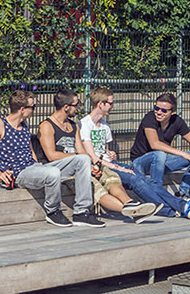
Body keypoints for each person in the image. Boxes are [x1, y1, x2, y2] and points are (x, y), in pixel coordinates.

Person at [0, 89, 101, 228]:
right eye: (32, 107)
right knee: (52, 173)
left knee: (82, 159)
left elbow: (30, 150)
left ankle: (81, 212)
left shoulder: (23, 125)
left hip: (34, 168)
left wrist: (37, 166)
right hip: (19, 173)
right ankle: (53, 211)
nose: (34, 110)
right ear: (22, 109)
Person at [81, 88, 190, 219]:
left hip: (112, 163)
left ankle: (183, 202)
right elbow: (93, 157)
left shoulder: (104, 125)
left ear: (172, 111)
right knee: (137, 177)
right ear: (101, 104)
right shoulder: (85, 124)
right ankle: (176, 209)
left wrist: (110, 153)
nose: (113, 106)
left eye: (164, 110)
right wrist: (118, 167)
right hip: (107, 166)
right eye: (111, 103)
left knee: (149, 181)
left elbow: (104, 150)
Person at [37, 89, 155, 222]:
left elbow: (81, 151)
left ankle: (130, 203)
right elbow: (51, 155)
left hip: (80, 164)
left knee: (110, 176)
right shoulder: (47, 126)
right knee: (94, 186)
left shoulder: (73, 126)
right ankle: (131, 211)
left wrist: (91, 164)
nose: (78, 108)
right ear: (66, 107)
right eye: (76, 105)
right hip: (62, 169)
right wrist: (79, 159)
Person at [130, 92, 190, 198]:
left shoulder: (177, 121)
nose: (159, 112)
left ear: (172, 112)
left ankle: (184, 193)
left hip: (161, 163)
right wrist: (184, 154)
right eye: (157, 108)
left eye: (164, 110)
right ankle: (157, 195)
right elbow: (155, 144)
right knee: (159, 154)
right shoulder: (150, 118)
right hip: (140, 163)